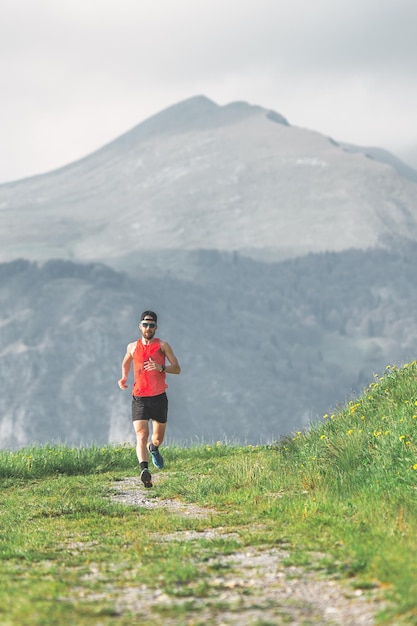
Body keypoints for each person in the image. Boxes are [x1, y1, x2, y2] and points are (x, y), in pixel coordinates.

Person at [118, 310, 181, 488]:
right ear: (140, 326)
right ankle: (144, 470)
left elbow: (177, 368)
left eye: (151, 325)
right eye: (145, 324)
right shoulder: (132, 347)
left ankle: (154, 449)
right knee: (141, 434)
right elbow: (126, 361)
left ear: (156, 327)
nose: (148, 327)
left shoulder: (163, 346)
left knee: (156, 438)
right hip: (139, 398)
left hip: (159, 398)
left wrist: (161, 367)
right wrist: (123, 377)